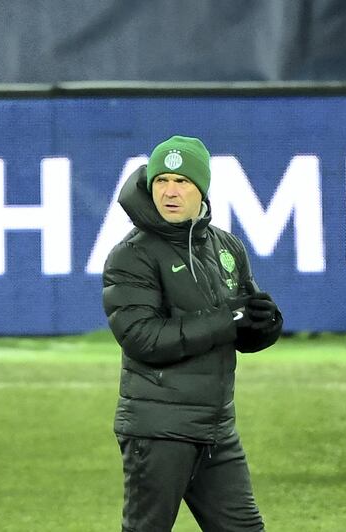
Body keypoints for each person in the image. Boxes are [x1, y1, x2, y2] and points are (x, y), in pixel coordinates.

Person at [102, 136, 282, 530]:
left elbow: (240, 326)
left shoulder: (225, 246)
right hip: (158, 430)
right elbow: (143, 339)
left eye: (182, 181)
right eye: (161, 180)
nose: (169, 191)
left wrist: (265, 325)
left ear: (201, 188)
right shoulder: (131, 254)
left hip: (216, 426)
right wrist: (229, 318)